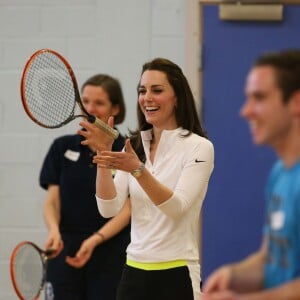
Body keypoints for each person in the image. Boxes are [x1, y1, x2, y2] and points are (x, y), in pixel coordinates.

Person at [78, 58, 214, 300]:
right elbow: (108, 208)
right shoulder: (134, 148)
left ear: (178, 98)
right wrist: (103, 154)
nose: (147, 98)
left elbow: (177, 208)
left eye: (157, 90)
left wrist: (138, 170)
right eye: (142, 91)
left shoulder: (199, 147)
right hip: (134, 272)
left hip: (177, 272)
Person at [202, 49, 300, 300]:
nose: (246, 111)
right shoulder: (281, 173)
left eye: (259, 98)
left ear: (296, 102)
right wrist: (232, 275)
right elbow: (270, 258)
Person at [39, 74, 131, 300]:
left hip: (110, 253)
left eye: (99, 103)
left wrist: (95, 240)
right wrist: (53, 230)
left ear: (116, 108)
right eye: (86, 101)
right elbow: (52, 200)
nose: (90, 108)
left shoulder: (128, 149)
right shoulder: (62, 147)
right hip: (65, 251)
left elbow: (128, 208)